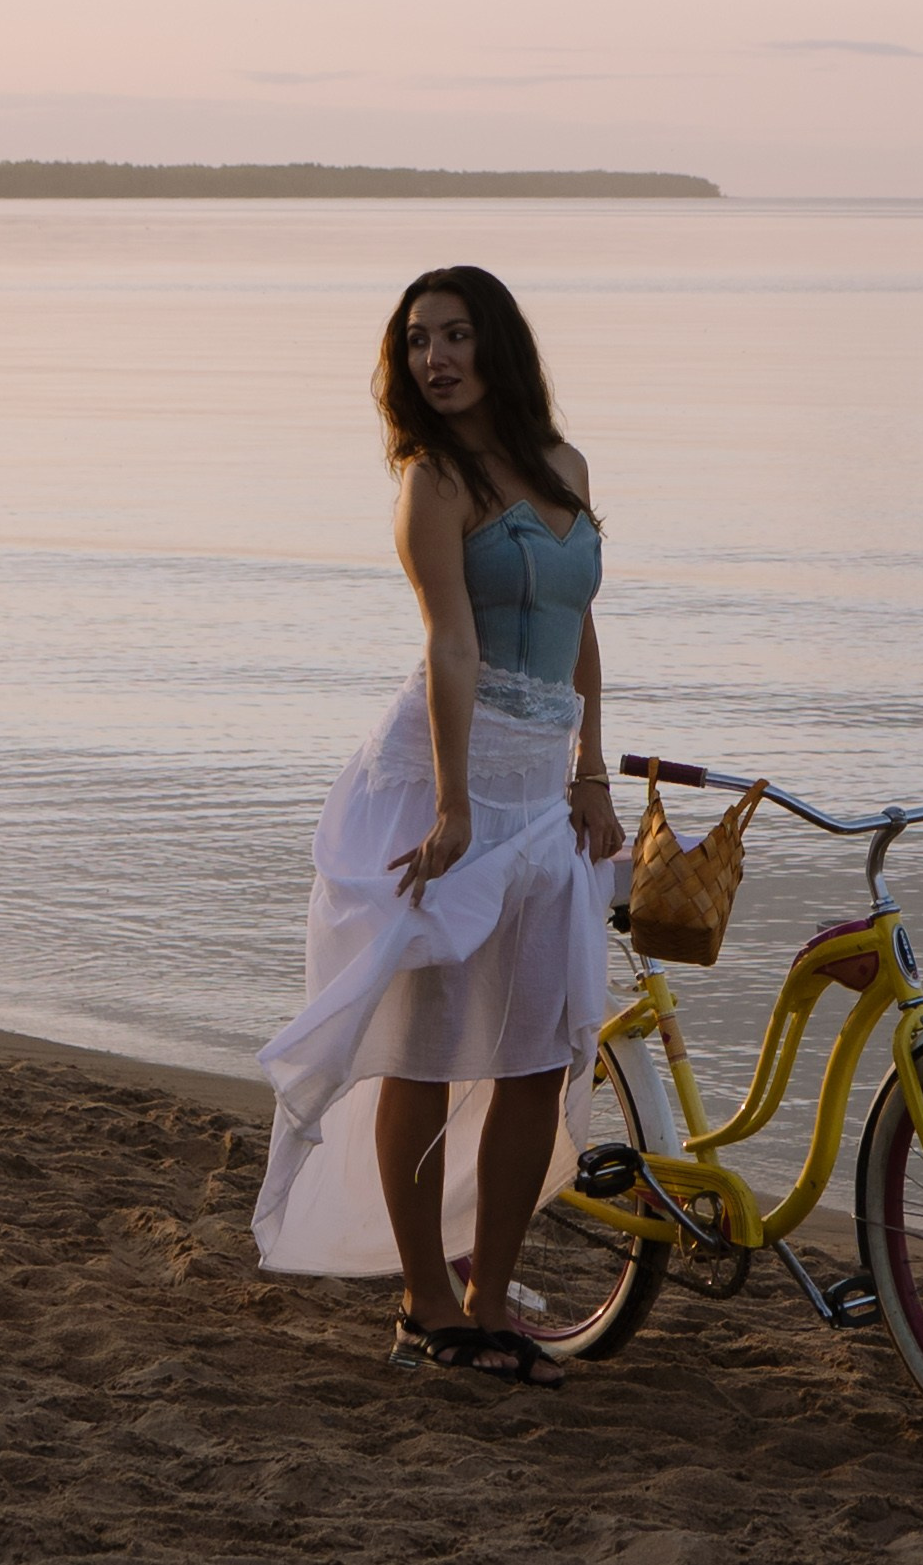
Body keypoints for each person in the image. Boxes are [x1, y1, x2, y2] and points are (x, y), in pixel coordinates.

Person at [251, 265, 626, 1383]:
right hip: (442, 781)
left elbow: (579, 626)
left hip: (545, 791)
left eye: (457, 336)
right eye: (418, 341)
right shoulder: (431, 482)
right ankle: (424, 1298)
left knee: (536, 1051)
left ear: (497, 346)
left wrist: (594, 767)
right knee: (423, 1045)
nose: (436, 358)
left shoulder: (567, 468)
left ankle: (487, 1290)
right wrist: (457, 803)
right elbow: (450, 646)